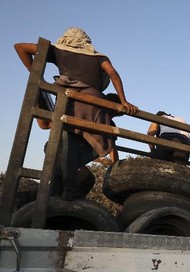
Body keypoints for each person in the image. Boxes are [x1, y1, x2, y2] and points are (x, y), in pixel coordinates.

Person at [15, 27, 138, 200]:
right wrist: (124, 101)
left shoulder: (59, 50)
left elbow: (20, 47)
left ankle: (66, 187)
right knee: (95, 142)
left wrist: (36, 75)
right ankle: (65, 186)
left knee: (69, 142)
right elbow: (112, 73)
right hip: (93, 105)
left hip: (69, 104)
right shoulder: (98, 56)